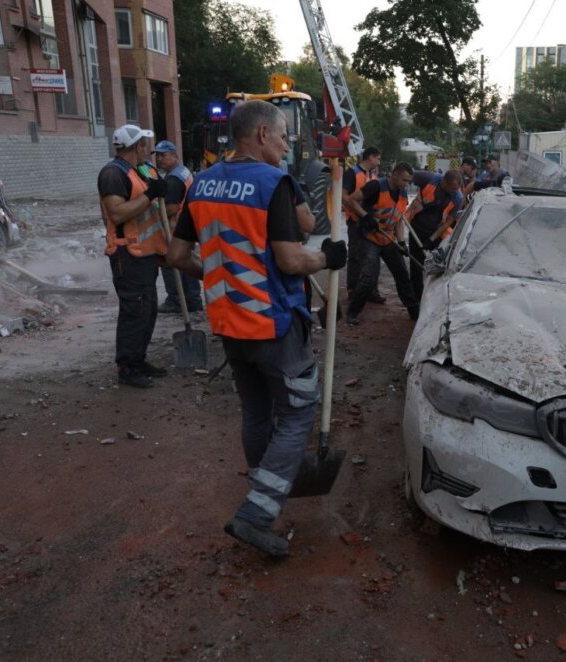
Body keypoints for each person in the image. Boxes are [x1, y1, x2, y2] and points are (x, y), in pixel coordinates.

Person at [167, 100, 347, 558]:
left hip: (228, 323)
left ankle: (265, 482)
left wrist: (220, 279)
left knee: (256, 413)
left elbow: (177, 256)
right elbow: (290, 259)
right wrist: (328, 258)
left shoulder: (202, 183)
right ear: (262, 134)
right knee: (296, 416)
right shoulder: (273, 183)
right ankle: (256, 513)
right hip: (274, 323)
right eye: (284, 136)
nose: (287, 146)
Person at [98, 124, 168, 389]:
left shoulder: (134, 171)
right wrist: (150, 194)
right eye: (145, 146)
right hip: (127, 255)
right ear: (137, 147)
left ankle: (139, 359)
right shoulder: (112, 174)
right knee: (134, 312)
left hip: (145, 254)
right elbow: (117, 213)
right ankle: (127, 367)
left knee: (147, 310)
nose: (148, 151)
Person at [343, 162, 419, 326]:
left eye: (409, 181)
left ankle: (414, 311)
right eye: (405, 180)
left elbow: (398, 220)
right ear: (395, 175)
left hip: (388, 239)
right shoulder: (375, 187)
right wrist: (365, 216)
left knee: (402, 275)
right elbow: (351, 200)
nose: (407, 184)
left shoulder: (402, 194)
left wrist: (401, 242)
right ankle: (353, 311)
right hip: (370, 238)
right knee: (369, 277)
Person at [151, 140, 202, 314]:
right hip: (186, 228)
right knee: (187, 262)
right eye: (157, 156)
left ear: (174, 156)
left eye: (163, 155)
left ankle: (175, 301)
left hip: (174, 230)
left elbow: (171, 208)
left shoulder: (173, 179)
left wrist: (153, 206)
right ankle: (193, 300)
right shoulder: (184, 172)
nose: (159, 159)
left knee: (169, 263)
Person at [406, 169, 463, 300]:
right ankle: (417, 300)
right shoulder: (427, 178)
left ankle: (435, 298)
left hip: (437, 234)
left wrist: (431, 240)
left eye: (457, 189)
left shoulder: (458, 197)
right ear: (444, 182)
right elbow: (404, 177)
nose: (454, 191)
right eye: (452, 188)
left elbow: (448, 222)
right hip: (416, 228)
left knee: (438, 268)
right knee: (416, 266)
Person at [345, 147, 384, 303]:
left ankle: (371, 290)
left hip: (369, 221)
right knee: (355, 255)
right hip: (356, 221)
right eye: (378, 158)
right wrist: (360, 213)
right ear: (370, 157)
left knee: (372, 256)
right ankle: (353, 290)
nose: (379, 162)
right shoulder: (352, 173)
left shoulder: (373, 175)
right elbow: (344, 196)